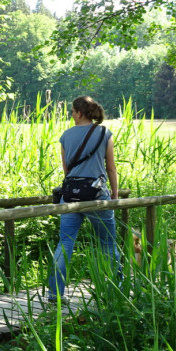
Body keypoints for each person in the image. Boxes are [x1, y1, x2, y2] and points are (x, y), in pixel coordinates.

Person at [48, 96, 120, 302]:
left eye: (72, 111)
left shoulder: (66, 136)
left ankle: (55, 294)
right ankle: (116, 288)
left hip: (70, 195)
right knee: (107, 243)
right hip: (97, 195)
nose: (71, 115)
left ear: (79, 113)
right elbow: (111, 168)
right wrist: (114, 195)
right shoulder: (105, 133)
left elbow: (67, 170)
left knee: (65, 243)